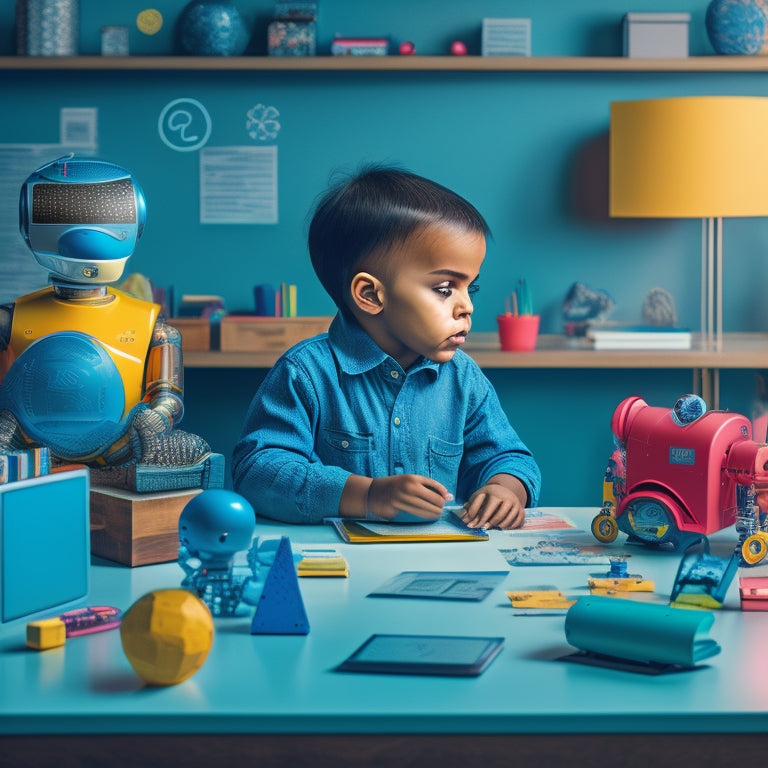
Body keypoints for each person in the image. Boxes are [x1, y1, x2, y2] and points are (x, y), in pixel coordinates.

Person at [232, 165, 541, 529]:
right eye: (445, 289)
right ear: (370, 295)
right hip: (340, 565)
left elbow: (509, 457)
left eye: (469, 288)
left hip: (439, 564)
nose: (467, 306)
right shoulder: (306, 373)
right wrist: (368, 496)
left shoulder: (463, 378)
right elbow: (258, 473)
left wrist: (506, 489)